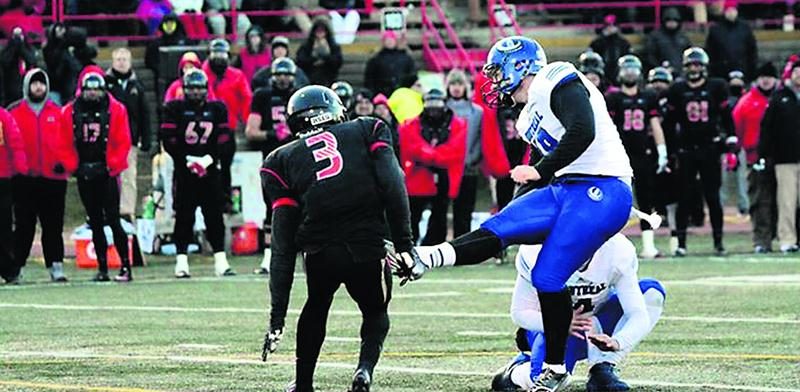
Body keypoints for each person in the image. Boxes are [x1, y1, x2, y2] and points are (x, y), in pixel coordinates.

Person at [391, 36, 633, 391]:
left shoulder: (556, 76)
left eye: (496, 70)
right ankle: (424, 257)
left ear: (519, 65)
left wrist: (539, 171)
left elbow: (583, 130)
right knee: (500, 226)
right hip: (565, 187)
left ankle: (554, 368)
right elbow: (541, 168)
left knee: (547, 276)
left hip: (605, 187)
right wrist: (519, 205)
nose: (493, 80)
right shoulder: (527, 117)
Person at [259, 85, 413, 392]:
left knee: (316, 305)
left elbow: (283, 244)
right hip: (367, 246)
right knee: (376, 313)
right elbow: (393, 184)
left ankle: (303, 384)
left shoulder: (280, 160)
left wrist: (277, 316)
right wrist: (405, 244)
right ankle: (364, 370)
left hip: (321, 250)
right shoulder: (369, 128)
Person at [492, 234, 665, 392]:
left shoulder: (617, 249)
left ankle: (602, 367)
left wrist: (618, 341)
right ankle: (513, 372)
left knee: (651, 292)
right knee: (547, 380)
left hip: (597, 324)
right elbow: (520, 312)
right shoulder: (534, 251)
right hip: (554, 332)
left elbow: (638, 314)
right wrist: (560, 323)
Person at [160, 70, 236, 278]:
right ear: (184, 89)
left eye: (199, 88)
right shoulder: (174, 108)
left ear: (206, 89)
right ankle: (181, 262)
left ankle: (221, 260)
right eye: (191, 88)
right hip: (185, 171)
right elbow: (168, 138)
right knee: (184, 216)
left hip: (210, 171)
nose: (195, 92)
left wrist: (208, 159)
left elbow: (225, 138)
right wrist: (187, 160)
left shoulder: (217, 108)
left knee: (214, 216)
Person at [62, 69, 133, 282]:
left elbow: (123, 140)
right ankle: (102, 267)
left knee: (113, 219)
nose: (93, 94)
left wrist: (112, 166)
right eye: (89, 90)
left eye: (96, 89)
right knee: (94, 220)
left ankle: (125, 266)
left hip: (106, 171)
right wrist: (73, 166)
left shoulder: (116, 110)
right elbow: (62, 141)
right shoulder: (69, 112)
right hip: (85, 170)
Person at [663, 47, 731, 256]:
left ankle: (718, 241)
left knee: (712, 196)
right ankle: (682, 243)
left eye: (697, 64)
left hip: (710, 148)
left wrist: (730, 139)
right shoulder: (677, 90)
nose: (694, 68)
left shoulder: (717, 87)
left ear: (704, 66)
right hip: (686, 150)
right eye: (691, 65)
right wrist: (671, 151)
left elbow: (726, 116)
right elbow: (669, 124)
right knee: (685, 196)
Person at [8, 68, 72, 283]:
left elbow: (68, 143)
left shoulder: (58, 112)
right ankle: (17, 267)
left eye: (41, 83)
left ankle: (56, 265)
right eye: (34, 84)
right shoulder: (14, 112)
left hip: (53, 178)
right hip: (24, 179)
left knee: (53, 225)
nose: (38, 88)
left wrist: (65, 165)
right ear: (27, 86)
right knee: (24, 225)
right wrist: (16, 169)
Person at [605, 55, 668, 259]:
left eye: (633, 69)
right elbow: (607, 128)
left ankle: (648, 246)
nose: (630, 73)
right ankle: (610, 246)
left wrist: (662, 151)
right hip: (619, 157)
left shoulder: (648, 96)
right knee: (615, 201)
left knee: (646, 200)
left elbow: (655, 124)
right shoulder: (613, 98)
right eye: (626, 69)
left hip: (642, 155)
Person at [245, 58, 298, 275]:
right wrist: (271, 134)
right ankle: (269, 257)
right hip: (273, 161)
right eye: (279, 74)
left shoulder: (300, 96)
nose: (283, 78)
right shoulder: (262, 96)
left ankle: (308, 255)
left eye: (287, 74)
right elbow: (251, 131)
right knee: (273, 208)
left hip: (298, 160)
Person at [400, 89, 467, 244]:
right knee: (413, 214)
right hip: (418, 176)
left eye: (437, 103)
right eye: (430, 103)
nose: (433, 107)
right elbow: (411, 147)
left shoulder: (457, 124)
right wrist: (435, 155)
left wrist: (428, 154)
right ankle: (410, 246)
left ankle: (433, 247)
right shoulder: (411, 125)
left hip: (442, 176)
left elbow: (455, 151)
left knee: (440, 214)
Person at [733, 62, 778, 253]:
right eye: (763, 76)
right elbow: (737, 127)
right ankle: (761, 240)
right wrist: (736, 151)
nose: (766, 80)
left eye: (769, 76)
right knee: (760, 201)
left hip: (781, 157)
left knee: (786, 201)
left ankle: (788, 238)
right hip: (755, 157)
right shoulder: (747, 101)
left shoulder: (782, 98)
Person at [203, 38, 252, 210]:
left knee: (225, 166)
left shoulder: (236, 76)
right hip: (205, 129)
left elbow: (246, 99)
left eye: (222, 54)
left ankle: (225, 198)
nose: (219, 57)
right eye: (215, 53)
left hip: (227, 128)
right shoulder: (202, 74)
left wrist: (247, 121)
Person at [758, 58, 800, 254]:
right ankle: (787, 240)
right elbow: (767, 128)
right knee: (787, 202)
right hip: (785, 159)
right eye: (797, 72)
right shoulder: (779, 97)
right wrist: (764, 154)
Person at [106, 48, 152, 221]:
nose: (121, 62)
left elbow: (144, 115)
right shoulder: (105, 84)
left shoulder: (137, 87)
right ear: (112, 61)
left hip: (129, 140)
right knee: (108, 177)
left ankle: (126, 211)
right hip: (109, 140)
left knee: (129, 177)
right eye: (118, 59)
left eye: (125, 59)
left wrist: (146, 138)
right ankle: (108, 209)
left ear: (130, 62)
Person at [445, 69, 485, 238]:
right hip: (446, 166)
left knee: (465, 208)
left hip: (469, 166)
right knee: (442, 209)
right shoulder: (442, 108)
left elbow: (481, 138)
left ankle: (463, 244)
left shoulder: (477, 111)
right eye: (453, 83)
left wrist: (474, 158)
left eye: (459, 83)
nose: (456, 87)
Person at [0, 101, 28, 284]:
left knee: (4, 226)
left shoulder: (3, 116)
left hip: (2, 177)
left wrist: (21, 168)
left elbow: (15, 141)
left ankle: (9, 269)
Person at [719, 70, 749, 217]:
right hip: (726, 144)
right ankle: (721, 206)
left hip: (741, 144)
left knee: (742, 178)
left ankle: (744, 205)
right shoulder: (725, 100)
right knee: (722, 179)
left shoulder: (747, 99)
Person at [145, 13, 195, 97]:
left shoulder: (187, 42)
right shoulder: (155, 44)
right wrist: (160, 69)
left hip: (184, 78)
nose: (169, 26)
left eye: (171, 23)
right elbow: (149, 61)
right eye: (166, 24)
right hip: (163, 79)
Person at [705, 2, 757, 81]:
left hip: (743, 71)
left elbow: (752, 51)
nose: (731, 13)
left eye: (733, 10)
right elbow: (711, 52)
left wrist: (751, 72)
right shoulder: (715, 29)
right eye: (728, 10)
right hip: (721, 73)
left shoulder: (745, 28)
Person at [363, 30, 417, 98]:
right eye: (387, 40)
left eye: (391, 39)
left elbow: (412, 75)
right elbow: (369, 79)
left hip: (401, 93)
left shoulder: (405, 57)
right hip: (381, 94)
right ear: (383, 42)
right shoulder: (375, 59)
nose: (389, 42)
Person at [41, 23, 81, 105]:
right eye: (58, 30)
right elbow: (52, 66)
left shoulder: (69, 47)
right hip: (55, 87)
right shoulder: (48, 49)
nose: (61, 33)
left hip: (70, 86)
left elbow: (77, 66)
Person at [296, 18, 343, 87]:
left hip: (329, 79)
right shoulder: (306, 46)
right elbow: (300, 61)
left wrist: (324, 58)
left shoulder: (333, 46)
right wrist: (313, 59)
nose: (320, 34)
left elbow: (338, 61)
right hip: (309, 79)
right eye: (318, 31)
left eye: (322, 31)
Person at [644, 7, 691, 75]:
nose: (672, 23)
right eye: (669, 20)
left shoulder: (683, 38)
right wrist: (660, 68)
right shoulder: (655, 37)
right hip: (661, 72)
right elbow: (650, 56)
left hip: (681, 72)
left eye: (674, 20)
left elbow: (688, 54)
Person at [1, 26, 38, 106]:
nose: (17, 39)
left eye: (20, 35)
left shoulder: (29, 49)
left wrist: (21, 47)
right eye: (15, 35)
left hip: (28, 91)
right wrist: (14, 47)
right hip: (10, 93)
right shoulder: (7, 50)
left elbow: (31, 60)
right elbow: (5, 62)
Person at [589, 15, 631, 81]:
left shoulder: (623, 43)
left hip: (619, 74)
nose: (610, 28)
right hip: (602, 74)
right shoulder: (597, 42)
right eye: (608, 25)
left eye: (613, 25)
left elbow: (628, 58)